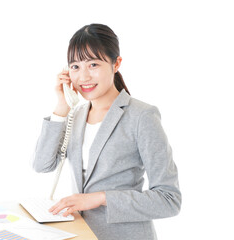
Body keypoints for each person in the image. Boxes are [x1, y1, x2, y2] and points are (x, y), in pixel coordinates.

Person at [31, 23, 181, 240]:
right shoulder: (77, 114)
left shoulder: (142, 116)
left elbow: (169, 199)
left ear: (116, 63)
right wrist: (61, 107)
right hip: (81, 234)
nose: (83, 77)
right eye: (75, 67)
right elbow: (42, 165)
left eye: (93, 64)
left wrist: (101, 198)